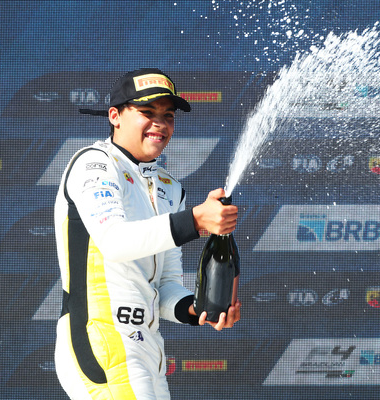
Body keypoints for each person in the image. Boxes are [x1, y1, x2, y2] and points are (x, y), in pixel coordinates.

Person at [54, 68, 241, 400]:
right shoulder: (94, 163)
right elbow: (114, 242)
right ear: (115, 116)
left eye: (168, 115)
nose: (160, 123)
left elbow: (164, 284)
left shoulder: (169, 187)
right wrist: (195, 220)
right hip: (101, 337)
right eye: (147, 112)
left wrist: (197, 308)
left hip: (148, 346)